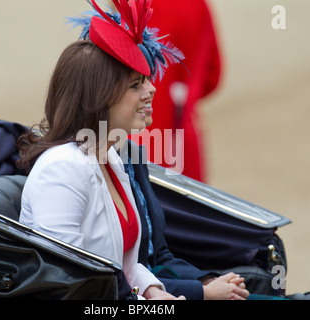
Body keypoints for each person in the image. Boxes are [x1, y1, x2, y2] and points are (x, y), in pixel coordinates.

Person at [17, 0, 185, 300]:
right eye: (136, 85)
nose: (151, 90)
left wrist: (157, 294)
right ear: (98, 98)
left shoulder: (109, 157)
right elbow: (70, 280)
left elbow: (124, 265)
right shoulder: (62, 170)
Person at [121, 79, 250, 300]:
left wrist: (204, 281)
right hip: (172, 131)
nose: (151, 88)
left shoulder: (129, 153)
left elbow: (155, 254)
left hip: (160, 132)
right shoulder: (89, 164)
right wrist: (203, 291)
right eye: (135, 83)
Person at [129, 0, 222, 182]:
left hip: (140, 138)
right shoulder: (198, 4)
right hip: (184, 136)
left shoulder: (137, 4)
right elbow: (213, 75)